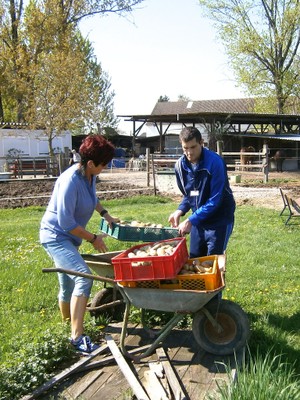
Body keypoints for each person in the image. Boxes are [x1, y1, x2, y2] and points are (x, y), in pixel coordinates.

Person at [40, 135, 118, 354]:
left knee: (68, 284)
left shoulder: (88, 175)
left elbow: (92, 199)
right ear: (91, 163)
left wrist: (105, 214)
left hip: (67, 237)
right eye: (104, 164)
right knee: (83, 278)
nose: (105, 167)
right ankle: (77, 338)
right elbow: (66, 223)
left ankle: (66, 325)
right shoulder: (70, 181)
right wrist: (93, 238)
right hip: (55, 236)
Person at [168, 127, 235, 258]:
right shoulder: (179, 167)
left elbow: (215, 200)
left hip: (219, 220)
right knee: (194, 261)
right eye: (185, 148)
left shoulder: (215, 163)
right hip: (198, 222)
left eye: (193, 147)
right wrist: (180, 210)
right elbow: (191, 194)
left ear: (201, 143)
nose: (189, 152)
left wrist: (191, 220)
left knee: (212, 264)